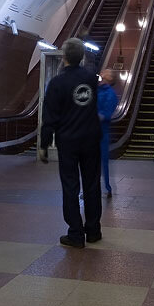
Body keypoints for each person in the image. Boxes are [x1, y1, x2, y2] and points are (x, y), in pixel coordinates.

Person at [40, 38, 102, 248]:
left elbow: (50, 116)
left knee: (70, 186)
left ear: (64, 57)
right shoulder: (91, 79)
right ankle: (93, 230)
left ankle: (75, 233)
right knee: (92, 184)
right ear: (82, 56)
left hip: (68, 141)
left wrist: (44, 144)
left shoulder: (57, 83)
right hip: (92, 138)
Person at [97, 69, 118, 198]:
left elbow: (105, 115)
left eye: (105, 72)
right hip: (93, 131)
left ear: (109, 78)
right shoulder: (96, 90)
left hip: (101, 132)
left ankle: (106, 188)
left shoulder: (110, 94)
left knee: (103, 161)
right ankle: (93, 187)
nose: (102, 72)